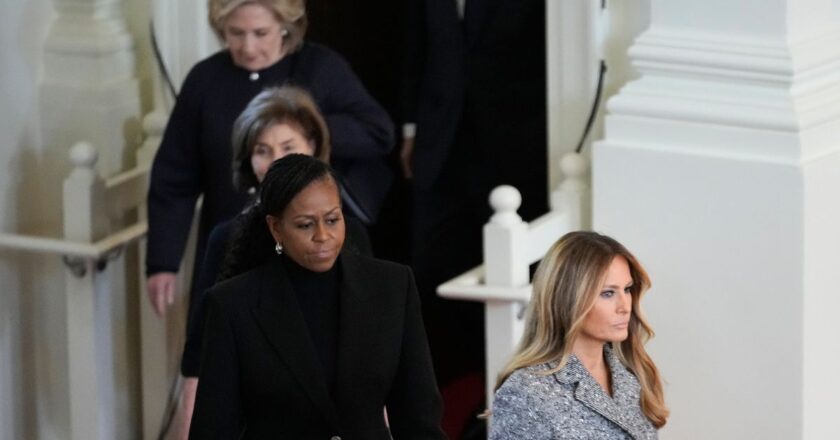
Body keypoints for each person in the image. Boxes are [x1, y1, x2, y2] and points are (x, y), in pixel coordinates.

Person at [145, 0, 393, 318]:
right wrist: (162, 262)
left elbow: (379, 132)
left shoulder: (320, 67)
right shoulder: (205, 80)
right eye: (236, 33)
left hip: (310, 254)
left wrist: (307, 129)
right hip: (230, 255)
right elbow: (174, 178)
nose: (248, 47)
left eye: (261, 33)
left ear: (285, 26)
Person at [189, 155, 445, 439]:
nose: (323, 236)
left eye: (333, 220)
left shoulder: (393, 287)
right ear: (276, 228)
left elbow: (419, 420)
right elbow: (213, 430)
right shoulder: (232, 305)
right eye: (305, 224)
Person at [173, 86, 374, 437]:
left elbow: (374, 341)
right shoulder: (225, 238)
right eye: (262, 151)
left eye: (288, 148)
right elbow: (200, 345)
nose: (275, 162)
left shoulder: (352, 235)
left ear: (313, 148)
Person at [399, 1, 549, 431]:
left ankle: (503, 393)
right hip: (440, 138)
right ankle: (439, 397)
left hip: (513, 141)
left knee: (512, 266)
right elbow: (417, 48)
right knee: (430, 269)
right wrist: (410, 128)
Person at [489, 231, 669, 439]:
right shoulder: (526, 392)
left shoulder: (631, 373)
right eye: (608, 293)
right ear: (568, 299)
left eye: (627, 289)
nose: (625, 306)